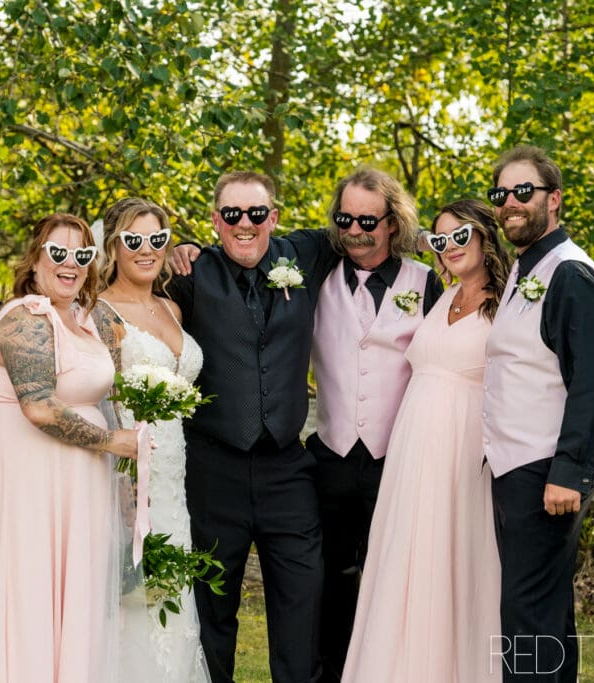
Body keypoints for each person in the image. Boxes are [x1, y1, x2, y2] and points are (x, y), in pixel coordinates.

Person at [0, 213, 139, 682]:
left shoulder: (91, 318)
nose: (71, 263)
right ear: (36, 259)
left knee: (75, 597)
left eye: (82, 254)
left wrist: (127, 481)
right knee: (24, 590)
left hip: (80, 485)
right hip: (24, 481)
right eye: (58, 252)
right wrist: (112, 442)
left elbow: (116, 393)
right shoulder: (23, 319)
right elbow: (40, 408)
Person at [166, 171, 337, 683]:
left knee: (303, 598)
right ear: (215, 220)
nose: (245, 223)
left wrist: (432, 243)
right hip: (212, 467)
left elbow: (366, 230)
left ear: (274, 218)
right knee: (211, 609)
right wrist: (176, 247)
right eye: (233, 214)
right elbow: (132, 285)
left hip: (287, 467)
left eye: (256, 213)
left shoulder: (303, 254)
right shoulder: (191, 273)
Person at [341, 199, 512, 682]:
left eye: (460, 235)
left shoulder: (509, 302)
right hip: (413, 453)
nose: (450, 247)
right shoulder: (443, 295)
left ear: (484, 236)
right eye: (440, 239)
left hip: (463, 453)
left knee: (454, 560)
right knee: (406, 559)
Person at [306, 168, 443, 682]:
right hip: (332, 455)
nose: (355, 230)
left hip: (398, 459)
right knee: (331, 580)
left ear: (392, 223)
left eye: (368, 220)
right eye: (345, 219)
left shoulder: (425, 281)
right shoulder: (314, 278)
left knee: (396, 578)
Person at [483, 145, 594, 681]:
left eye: (523, 191)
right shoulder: (526, 266)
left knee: (527, 613)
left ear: (553, 199)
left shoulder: (570, 273)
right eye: (501, 193)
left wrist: (568, 472)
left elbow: (590, 383)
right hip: (518, 466)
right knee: (544, 611)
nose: (510, 202)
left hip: (546, 469)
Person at [91, 197, 211, 683]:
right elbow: (99, 398)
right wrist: (122, 484)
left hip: (172, 478)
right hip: (129, 474)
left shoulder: (171, 307)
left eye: (157, 239)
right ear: (112, 247)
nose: (147, 249)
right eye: (133, 240)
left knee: (170, 595)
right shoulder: (99, 313)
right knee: (130, 598)